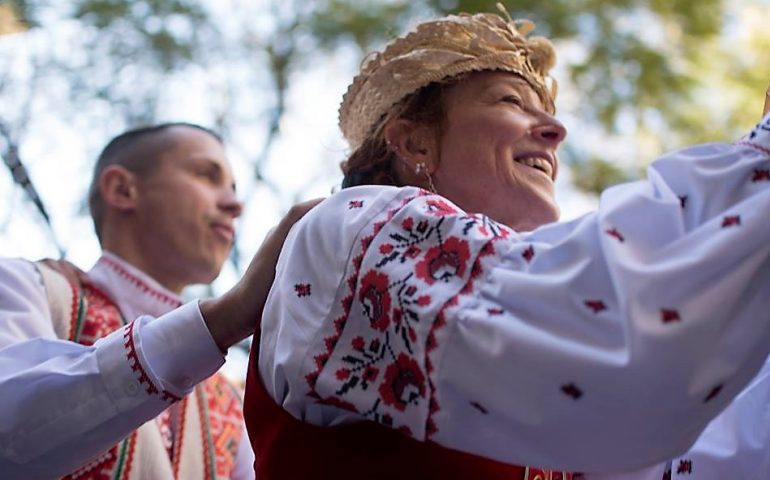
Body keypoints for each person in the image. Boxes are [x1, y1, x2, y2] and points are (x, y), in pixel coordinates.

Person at [243, 7, 770, 480]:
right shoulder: (350, 226)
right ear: (413, 141)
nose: (555, 130)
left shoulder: (525, 319)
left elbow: (698, 451)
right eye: (511, 101)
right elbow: (618, 342)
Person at [0, 122, 315, 479]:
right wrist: (222, 319)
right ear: (122, 189)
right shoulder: (26, 287)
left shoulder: (224, 398)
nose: (234, 204)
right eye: (207, 176)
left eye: (233, 188)